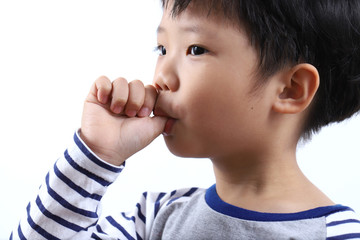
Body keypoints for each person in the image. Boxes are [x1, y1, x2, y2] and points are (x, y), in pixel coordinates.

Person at [11, 0, 360, 239]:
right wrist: (95, 154)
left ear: (290, 89)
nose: (161, 75)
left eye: (195, 49)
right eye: (161, 49)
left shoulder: (341, 233)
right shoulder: (158, 219)